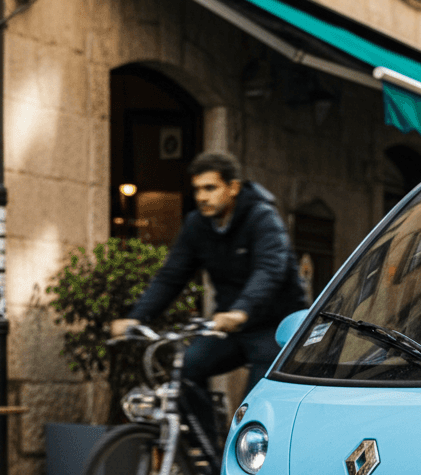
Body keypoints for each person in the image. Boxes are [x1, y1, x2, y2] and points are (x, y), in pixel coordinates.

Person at [111, 151, 306, 455]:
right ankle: (208, 454)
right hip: (230, 325)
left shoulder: (262, 217)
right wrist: (137, 317)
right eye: (197, 189)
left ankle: (246, 460)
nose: (202, 197)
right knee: (187, 369)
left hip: (274, 326)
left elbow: (270, 269)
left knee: (253, 407)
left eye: (210, 188)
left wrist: (241, 310)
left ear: (233, 187)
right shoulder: (197, 225)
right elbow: (171, 276)